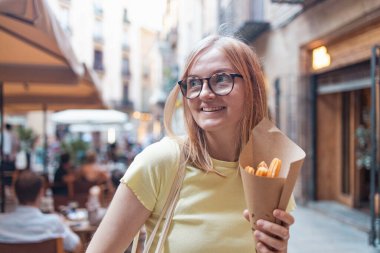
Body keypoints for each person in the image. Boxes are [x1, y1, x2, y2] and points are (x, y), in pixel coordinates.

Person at [87, 35, 295, 253]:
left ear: (252, 87)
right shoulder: (161, 162)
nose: (204, 93)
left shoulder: (271, 169)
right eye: (194, 83)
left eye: (221, 79)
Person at [0, 171, 82, 253]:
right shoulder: (54, 223)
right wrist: (63, 224)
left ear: (14, 193)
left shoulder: (1, 224)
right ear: (41, 193)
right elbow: (77, 247)